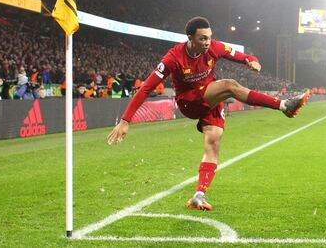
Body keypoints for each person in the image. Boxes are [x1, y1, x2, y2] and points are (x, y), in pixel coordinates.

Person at [107, 17, 309, 211]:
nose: (207, 42)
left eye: (209, 37)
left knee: (213, 143)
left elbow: (243, 56)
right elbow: (145, 88)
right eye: (202, 38)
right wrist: (125, 121)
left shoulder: (214, 47)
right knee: (229, 85)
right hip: (189, 102)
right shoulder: (173, 58)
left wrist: (252, 60)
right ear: (190, 38)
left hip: (210, 99)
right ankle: (284, 105)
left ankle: (199, 195)